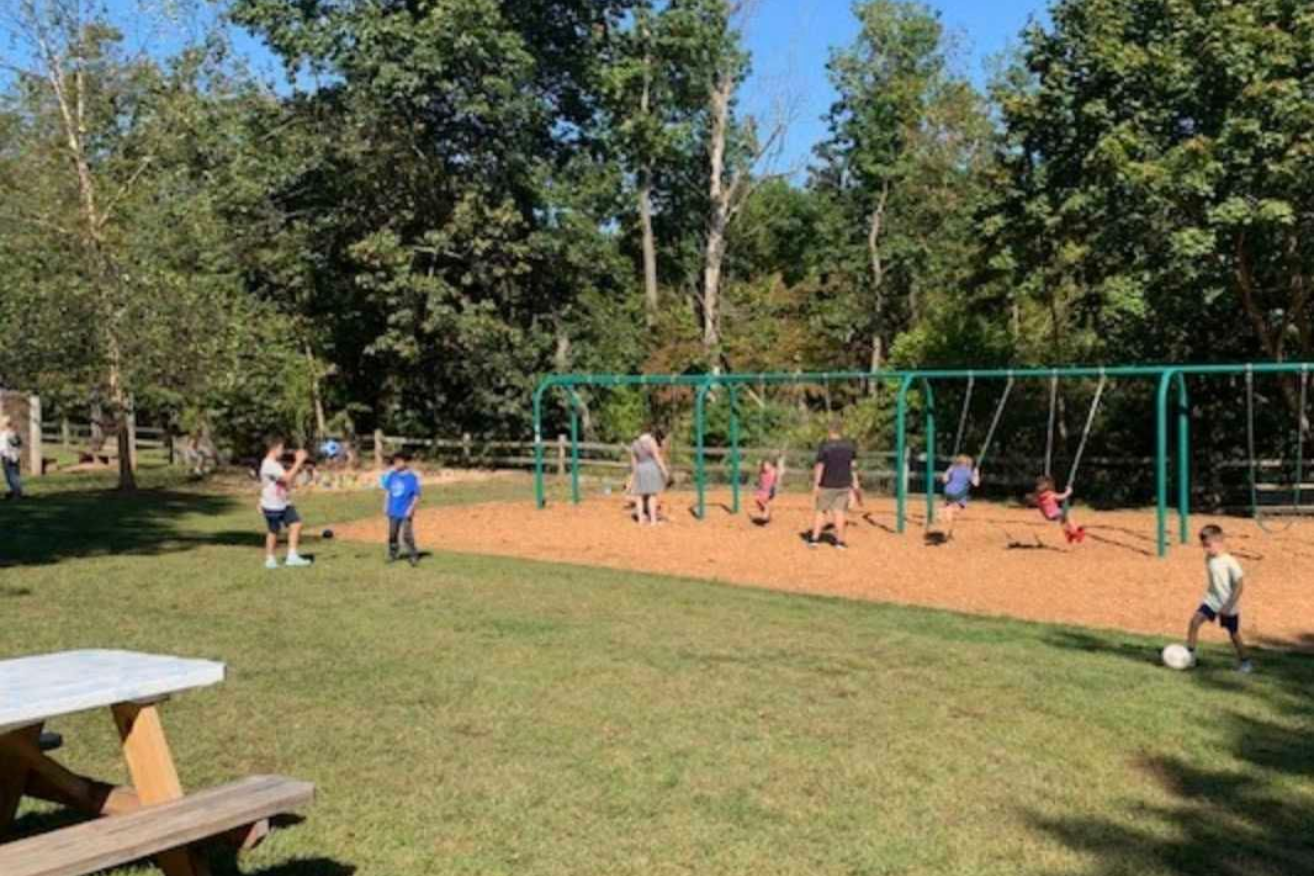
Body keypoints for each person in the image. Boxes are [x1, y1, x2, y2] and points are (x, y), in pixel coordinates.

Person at [1185, 525, 1253, 673]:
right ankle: (1190, 656)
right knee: (1194, 621)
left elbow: (1240, 585)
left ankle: (1246, 662)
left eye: (1208, 546)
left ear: (1219, 541)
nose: (1206, 549)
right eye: (1203, 546)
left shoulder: (1230, 562)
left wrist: (1229, 605)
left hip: (1228, 603)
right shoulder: (1209, 558)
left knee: (1234, 634)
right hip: (1212, 600)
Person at [259, 436, 311, 569]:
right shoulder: (269, 464)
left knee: (296, 524)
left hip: (283, 503)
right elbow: (287, 477)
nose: (283, 451)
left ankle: (292, 556)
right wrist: (299, 461)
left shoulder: (275, 464)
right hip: (272, 505)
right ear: (274, 449)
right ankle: (270, 559)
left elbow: (284, 481)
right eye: (281, 448)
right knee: (273, 531)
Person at [809, 421, 859, 549]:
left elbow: (820, 466)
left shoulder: (825, 446)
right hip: (844, 484)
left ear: (830, 431)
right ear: (840, 431)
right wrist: (855, 485)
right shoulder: (850, 446)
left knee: (821, 511)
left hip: (827, 484)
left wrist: (816, 484)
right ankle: (840, 542)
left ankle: (814, 539)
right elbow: (853, 467)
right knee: (839, 512)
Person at [385, 453, 422, 566]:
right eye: (395, 462)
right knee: (392, 534)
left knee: (407, 535)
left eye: (399, 461)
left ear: (405, 462)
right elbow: (388, 492)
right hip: (393, 510)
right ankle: (393, 553)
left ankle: (413, 554)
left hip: (405, 511)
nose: (396, 464)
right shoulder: (392, 475)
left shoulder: (412, 478)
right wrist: (386, 505)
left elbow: (416, 495)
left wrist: (411, 508)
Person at [629, 429, 669, 525]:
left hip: (640, 469)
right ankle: (653, 521)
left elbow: (633, 462)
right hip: (651, 469)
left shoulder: (634, 444)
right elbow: (657, 458)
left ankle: (640, 521)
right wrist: (665, 472)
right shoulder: (651, 442)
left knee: (639, 496)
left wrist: (634, 475)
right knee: (652, 495)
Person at [1031, 476, 1086, 544]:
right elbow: (1062, 496)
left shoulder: (1038, 497)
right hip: (1055, 513)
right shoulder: (1050, 495)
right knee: (1067, 515)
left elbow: (1036, 502)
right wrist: (1069, 491)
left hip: (1048, 516)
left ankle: (1068, 533)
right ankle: (1075, 532)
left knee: (1062, 521)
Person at [939, 454, 980, 539]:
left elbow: (944, 479)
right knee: (956, 510)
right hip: (959, 494)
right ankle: (946, 512)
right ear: (969, 464)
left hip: (948, 491)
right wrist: (976, 473)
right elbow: (976, 484)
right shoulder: (969, 472)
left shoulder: (953, 468)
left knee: (951, 508)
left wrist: (949, 471)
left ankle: (949, 531)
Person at [0, 415, 23, 500]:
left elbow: (17, 444)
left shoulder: (10, 433)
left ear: (6, 424)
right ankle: (13, 492)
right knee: (9, 477)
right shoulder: (5, 433)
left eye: (2, 423)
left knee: (13, 476)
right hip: (6, 457)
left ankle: (17, 495)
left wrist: (12, 454)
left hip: (10, 457)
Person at [753, 457, 782, 523]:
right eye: (765, 465)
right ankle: (766, 512)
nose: (766, 467)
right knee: (757, 499)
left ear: (770, 466)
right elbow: (759, 476)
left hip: (770, 490)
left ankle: (766, 513)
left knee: (764, 501)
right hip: (762, 490)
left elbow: (778, 474)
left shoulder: (773, 471)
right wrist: (758, 464)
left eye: (767, 465)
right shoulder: (762, 472)